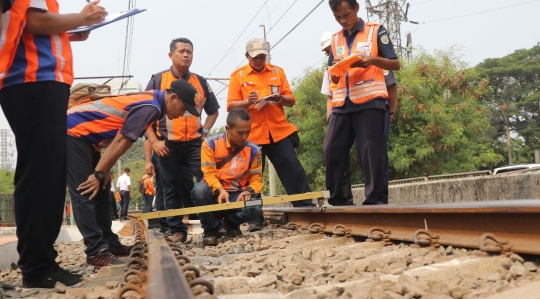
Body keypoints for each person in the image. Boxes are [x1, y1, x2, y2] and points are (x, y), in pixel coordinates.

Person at [0, 0, 107, 288]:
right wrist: (80, 17)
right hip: (33, 79)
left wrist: (69, 32)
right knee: (42, 176)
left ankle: (40, 262)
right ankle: (37, 266)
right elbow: (34, 22)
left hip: (36, 80)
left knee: (44, 174)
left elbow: (27, 27)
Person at [67, 79, 200, 269]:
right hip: (73, 131)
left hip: (88, 137)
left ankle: (109, 243)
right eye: (183, 107)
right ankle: (95, 252)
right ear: (173, 98)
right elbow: (123, 140)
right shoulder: (152, 106)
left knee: (102, 189)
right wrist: (97, 173)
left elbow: (121, 140)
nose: (182, 114)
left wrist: (102, 172)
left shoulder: (153, 102)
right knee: (85, 191)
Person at [228, 38, 315, 231]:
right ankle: (254, 219)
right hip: (252, 137)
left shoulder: (278, 72)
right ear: (247, 56)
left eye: (262, 56)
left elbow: (291, 100)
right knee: (252, 179)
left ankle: (307, 209)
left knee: (293, 170)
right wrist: (246, 102)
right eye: (255, 57)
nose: (259, 60)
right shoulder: (237, 76)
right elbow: (230, 106)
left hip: (278, 132)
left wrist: (279, 98)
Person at [324, 0, 401, 206]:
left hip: (370, 100)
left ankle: (376, 201)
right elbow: (332, 78)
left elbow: (395, 63)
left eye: (346, 15)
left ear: (357, 8)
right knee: (332, 148)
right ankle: (339, 200)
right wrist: (336, 69)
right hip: (342, 103)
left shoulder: (375, 31)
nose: (343, 20)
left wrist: (371, 60)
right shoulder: (335, 39)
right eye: (338, 17)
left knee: (370, 151)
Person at [144, 37, 220, 243]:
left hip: (195, 143)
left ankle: (211, 227)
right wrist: (154, 143)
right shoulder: (158, 80)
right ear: (171, 55)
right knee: (170, 186)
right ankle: (177, 230)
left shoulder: (201, 82)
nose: (186, 55)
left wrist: (204, 131)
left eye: (189, 51)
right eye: (181, 51)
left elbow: (213, 111)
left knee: (206, 181)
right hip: (167, 143)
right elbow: (145, 116)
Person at [192, 108, 263, 246]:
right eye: (240, 133)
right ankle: (211, 230)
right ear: (228, 129)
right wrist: (220, 190)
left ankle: (230, 223)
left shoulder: (254, 150)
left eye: (248, 132)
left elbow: (256, 180)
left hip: (237, 196)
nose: (244, 137)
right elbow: (209, 174)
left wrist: (249, 191)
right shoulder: (210, 144)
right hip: (214, 194)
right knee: (199, 190)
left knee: (256, 206)